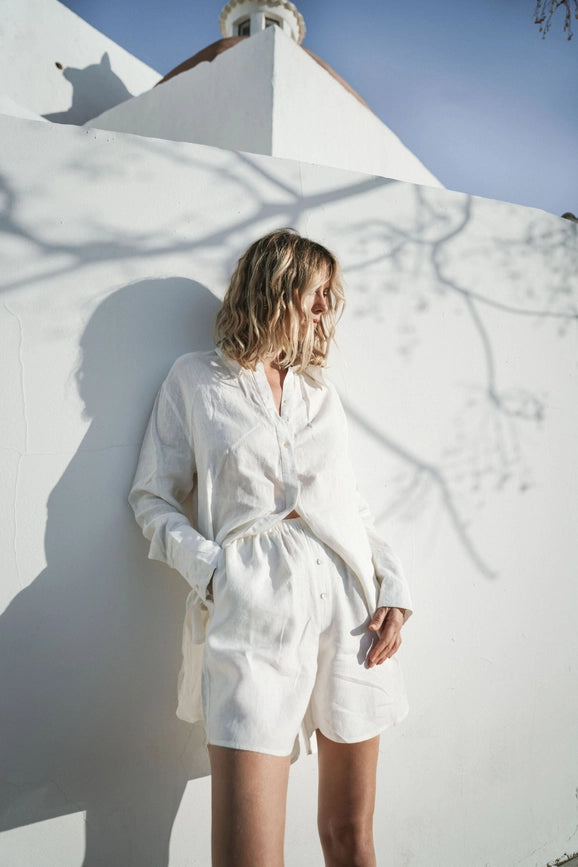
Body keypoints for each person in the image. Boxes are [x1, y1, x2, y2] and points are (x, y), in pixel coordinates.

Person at [129, 228, 413, 867]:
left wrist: (393, 587)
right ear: (276, 287)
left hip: (350, 612)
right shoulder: (195, 380)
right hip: (252, 607)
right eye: (316, 291)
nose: (325, 307)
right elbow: (151, 496)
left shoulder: (319, 393)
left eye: (330, 294)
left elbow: (350, 507)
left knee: (350, 837)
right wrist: (214, 571)